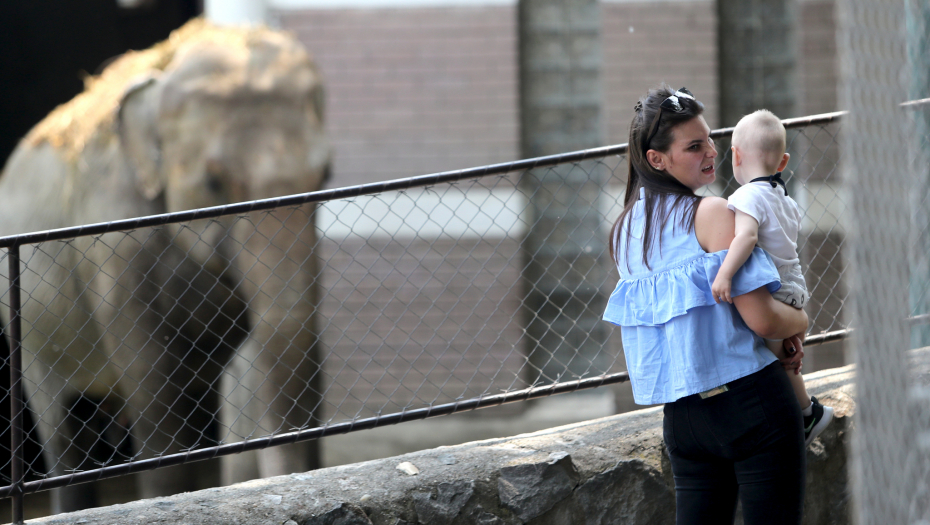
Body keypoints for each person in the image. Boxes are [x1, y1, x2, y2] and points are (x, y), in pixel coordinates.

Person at [603, 85, 809, 525]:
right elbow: (765, 320)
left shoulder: (623, 231)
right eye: (694, 146)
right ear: (656, 159)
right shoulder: (713, 213)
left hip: (684, 418)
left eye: (710, 139)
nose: (711, 152)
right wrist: (802, 318)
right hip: (752, 403)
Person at [710, 109, 833, 447]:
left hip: (776, 291)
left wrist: (725, 273)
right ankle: (804, 411)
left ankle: (808, 414)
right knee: (784, 354)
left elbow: (746, 238)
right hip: (794, 287)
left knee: (775, 361)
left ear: (735, 156)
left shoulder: (745, 196)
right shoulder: (784, 198)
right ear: (783, 162)